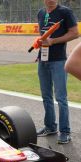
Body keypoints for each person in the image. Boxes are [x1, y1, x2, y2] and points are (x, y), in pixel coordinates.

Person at [36, 0, 79, 144]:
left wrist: (53, 41)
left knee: (61, 98)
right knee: (46, 96)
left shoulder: (65, 12)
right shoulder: (41, 13)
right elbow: (42, 35)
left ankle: (65, 131)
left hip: (59, 61)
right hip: (43, 60)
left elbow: (75, 33)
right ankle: (50, 126)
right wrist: (39, 50)